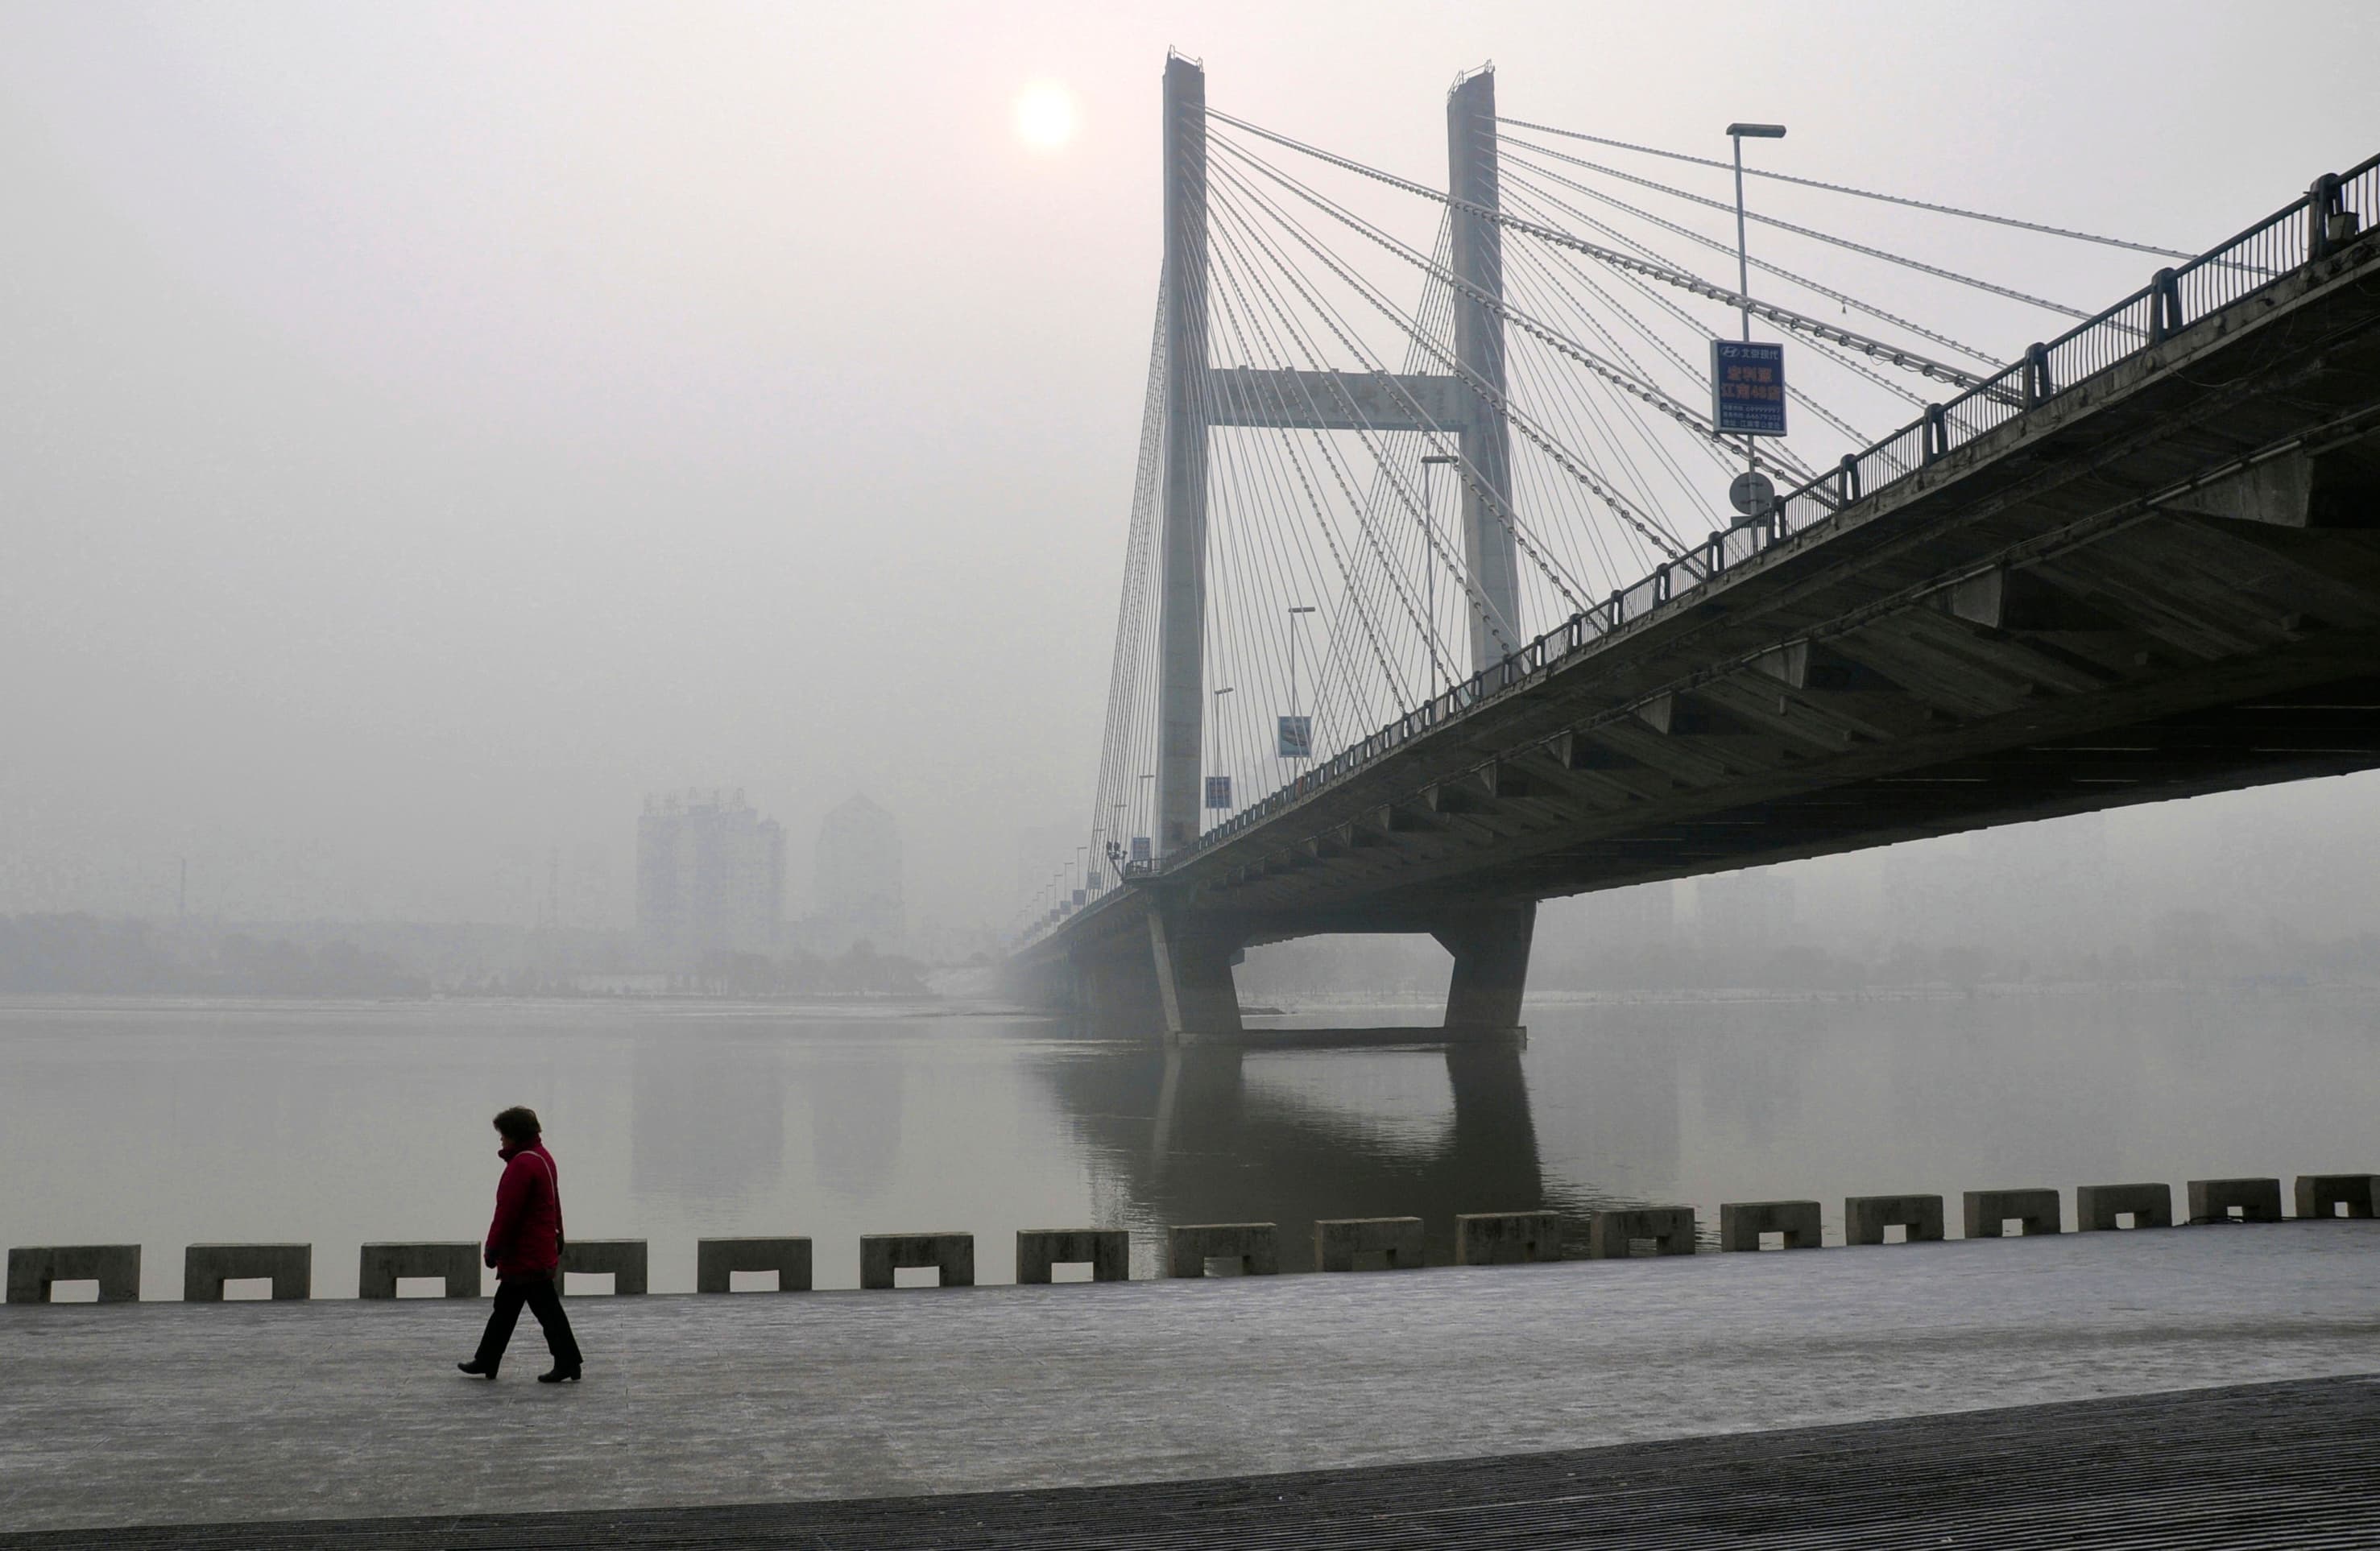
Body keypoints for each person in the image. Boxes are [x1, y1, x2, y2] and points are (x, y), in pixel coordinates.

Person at [457, 1105, 582, 1383]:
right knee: (510, 1308)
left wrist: (492, 1248)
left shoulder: (522, 1165)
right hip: (537, 1250)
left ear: (514, 1134)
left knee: (543, 1311)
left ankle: (567, 1361)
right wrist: (558, 1235)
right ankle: (488, 1359)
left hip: (525, 1255)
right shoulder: (542, 1158)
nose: (501, 1139)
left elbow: (506, 1213)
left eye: (503, 1134)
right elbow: (554, 1204)